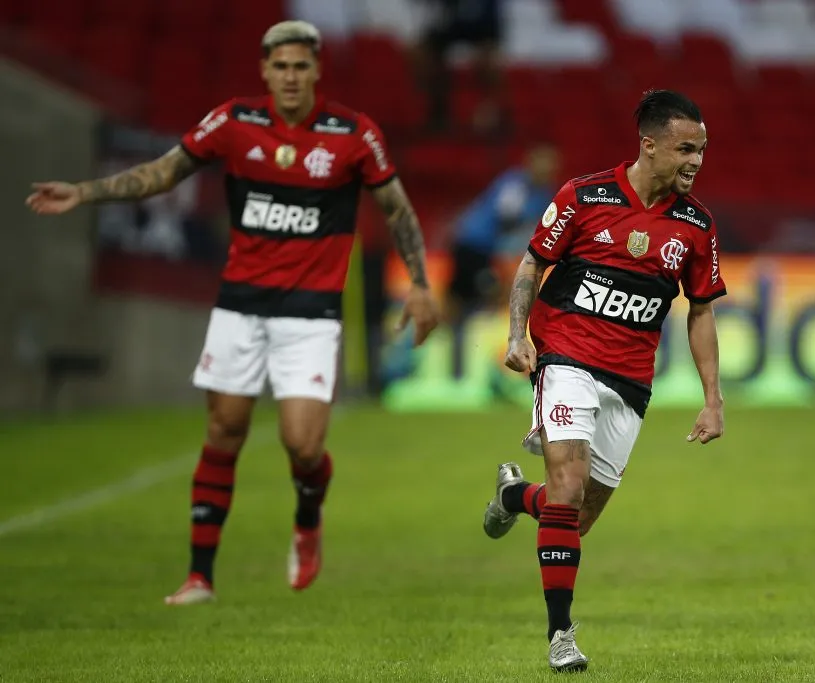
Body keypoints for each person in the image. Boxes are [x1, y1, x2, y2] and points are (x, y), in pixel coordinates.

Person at [26, 21, 441, 605]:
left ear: (316, 70)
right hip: (240, 306)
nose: (291, 76)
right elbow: (162, 172)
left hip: (311, 313)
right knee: (223, 432)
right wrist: (86, 192)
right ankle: (200, 574)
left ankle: (307, 517)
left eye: (302, 66)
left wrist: (420, 284)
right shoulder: (234, 122)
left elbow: (396, 209)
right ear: (265, 71)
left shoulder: (352, 134)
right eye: (281, 66)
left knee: (302, 445)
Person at [481, 90, 727, 671]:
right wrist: (518, 336)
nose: (695, 161)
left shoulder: (695, 226)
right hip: (565, 358)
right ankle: (561, 635)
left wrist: (713, 399)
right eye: (685, 148)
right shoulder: (583, 197)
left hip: (631, 381)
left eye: (702, 150)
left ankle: (514, 496)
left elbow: (701, 311)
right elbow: (532, 263)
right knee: (566, 484)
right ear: (649, 145)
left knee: (576, 515)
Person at [447, 141, 560, 320]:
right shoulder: (514, 183)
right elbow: (505, 215)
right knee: (466, 297)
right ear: (530, 162)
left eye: (550, 166)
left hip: (489, 251)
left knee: (478, 297)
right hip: (472, 244)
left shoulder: (545, 195)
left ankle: (464, 334)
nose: (546, 170)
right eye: (542, 163)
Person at [410, 0, 505, 133]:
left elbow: (493, 33)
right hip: (448, 33)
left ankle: (491, 110)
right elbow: (436, 26)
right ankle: (433, 111)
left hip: (481, 36)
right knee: (420, 55)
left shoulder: (489, 6)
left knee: (492, 60)